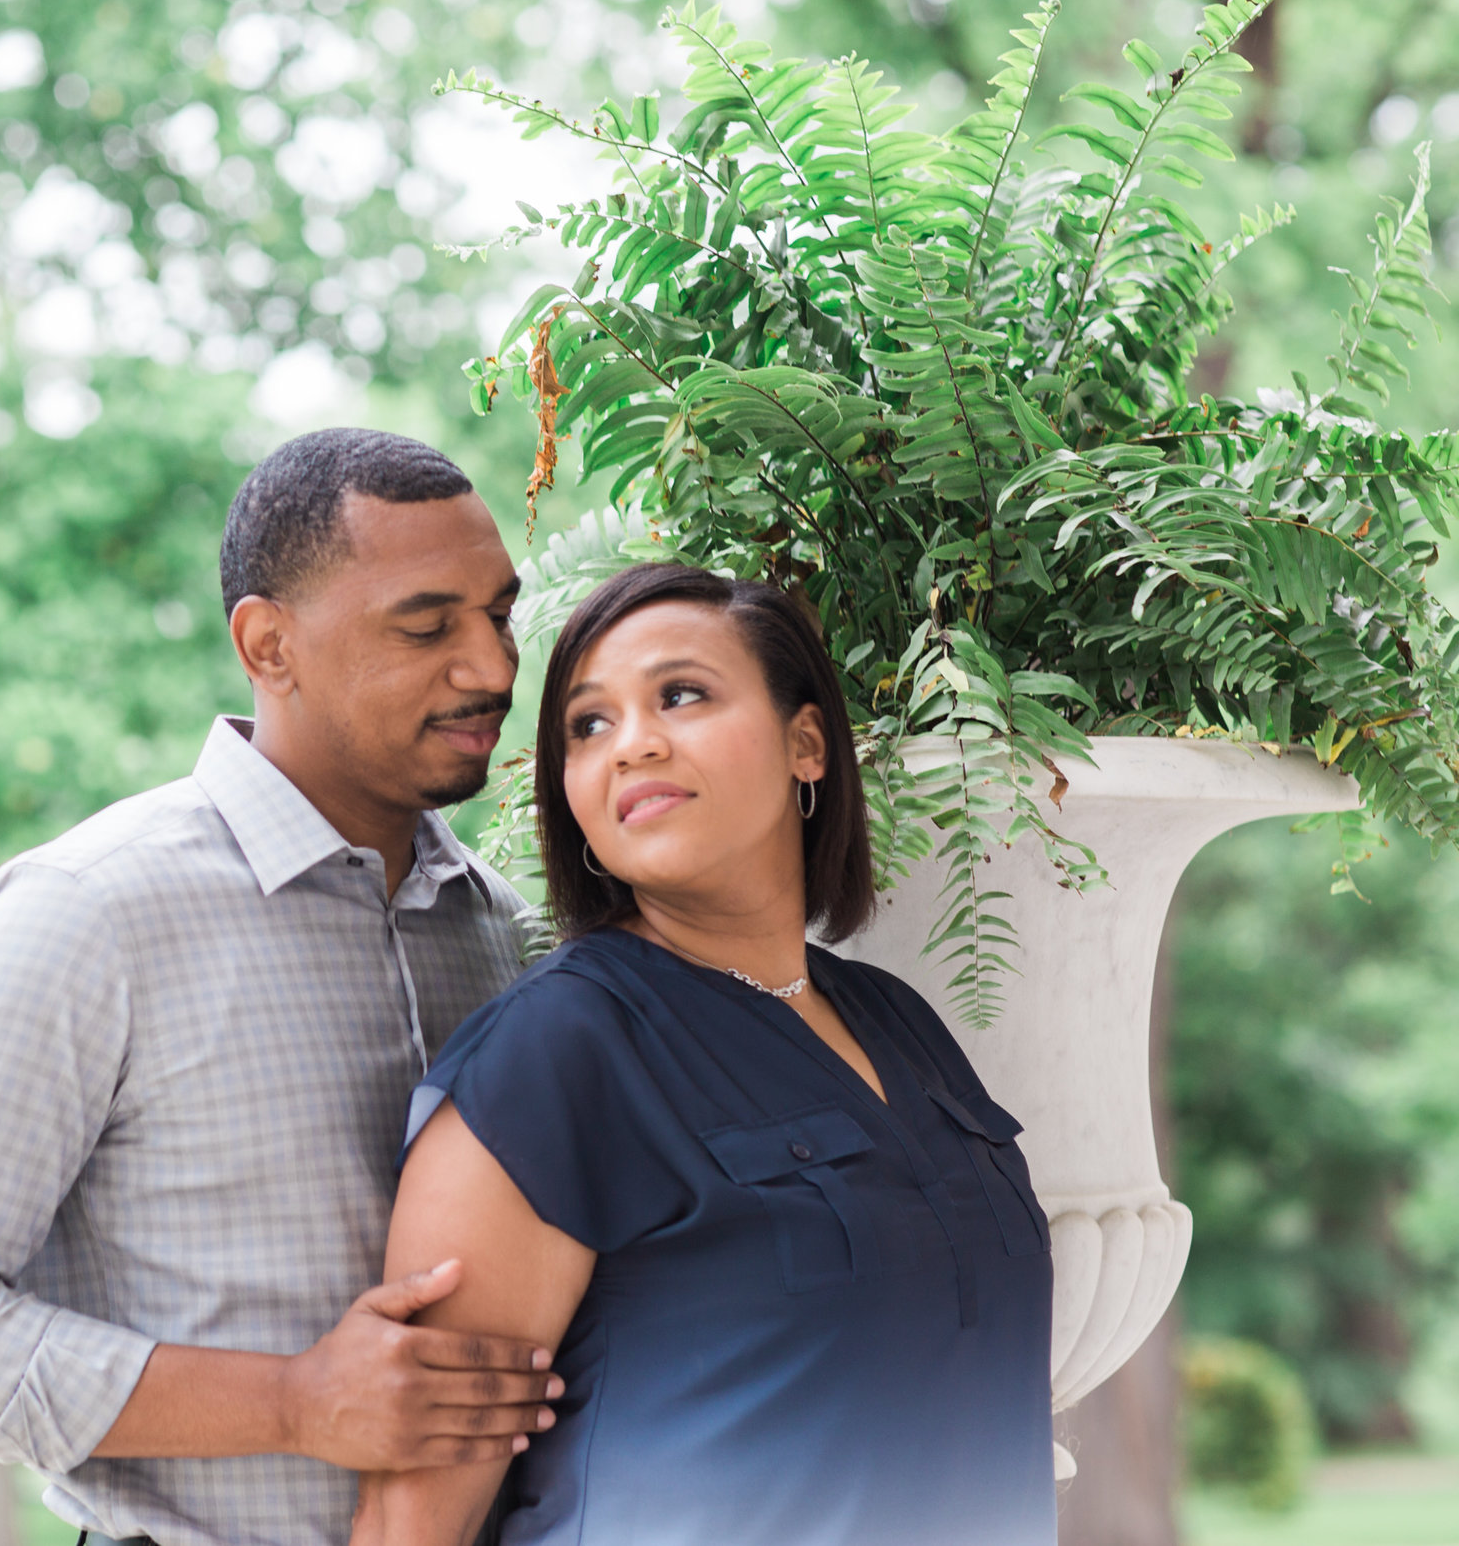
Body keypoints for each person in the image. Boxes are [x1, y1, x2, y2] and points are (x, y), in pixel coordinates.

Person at [0, 428, 566, 1546]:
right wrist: (294, 1400)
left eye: (499, 615)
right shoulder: (88, 911)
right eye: (426, 626)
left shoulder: (516, 933)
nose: (494, 669)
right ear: (268, 644)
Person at [352, 563, 1056, 1546]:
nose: (631, 742)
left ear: (804, 742)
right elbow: (410, 1519)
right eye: (586, 726)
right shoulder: (554, 1054)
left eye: (680, 695)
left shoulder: (901, 1023)